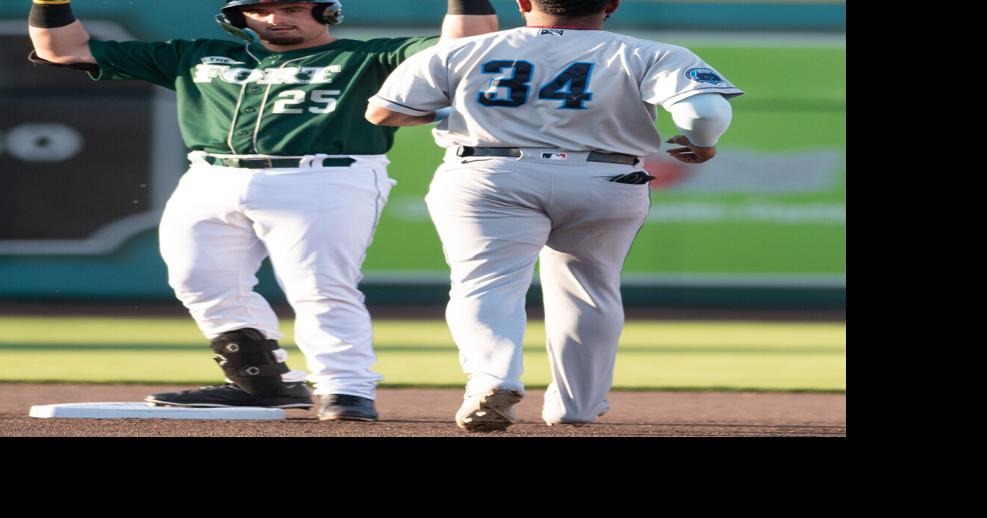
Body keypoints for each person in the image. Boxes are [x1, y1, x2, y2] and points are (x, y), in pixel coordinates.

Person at [27, 0, 498, 421]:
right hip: (211, 174)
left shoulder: (368, 55)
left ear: (326, 11)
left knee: (319, 287)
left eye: (293, 7)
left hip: (325, 174)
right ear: (239, 17)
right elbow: (64, 49)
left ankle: (347, 389)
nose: (277, 17)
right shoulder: (198, 53)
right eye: (261, 9)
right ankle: (262, 382)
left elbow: (467, 47)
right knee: (198, 280)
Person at [365, 0, 743, 431]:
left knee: (486, 282)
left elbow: (382, 111)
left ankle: (493, 378)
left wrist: (455, 111)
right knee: (589, 289)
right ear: (611, 4)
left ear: (524, 3)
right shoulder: (648, 51)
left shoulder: (465, 49)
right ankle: (575, 406)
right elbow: (705, 112)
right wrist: (703, 142)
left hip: (489, 171)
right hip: (604, 174)